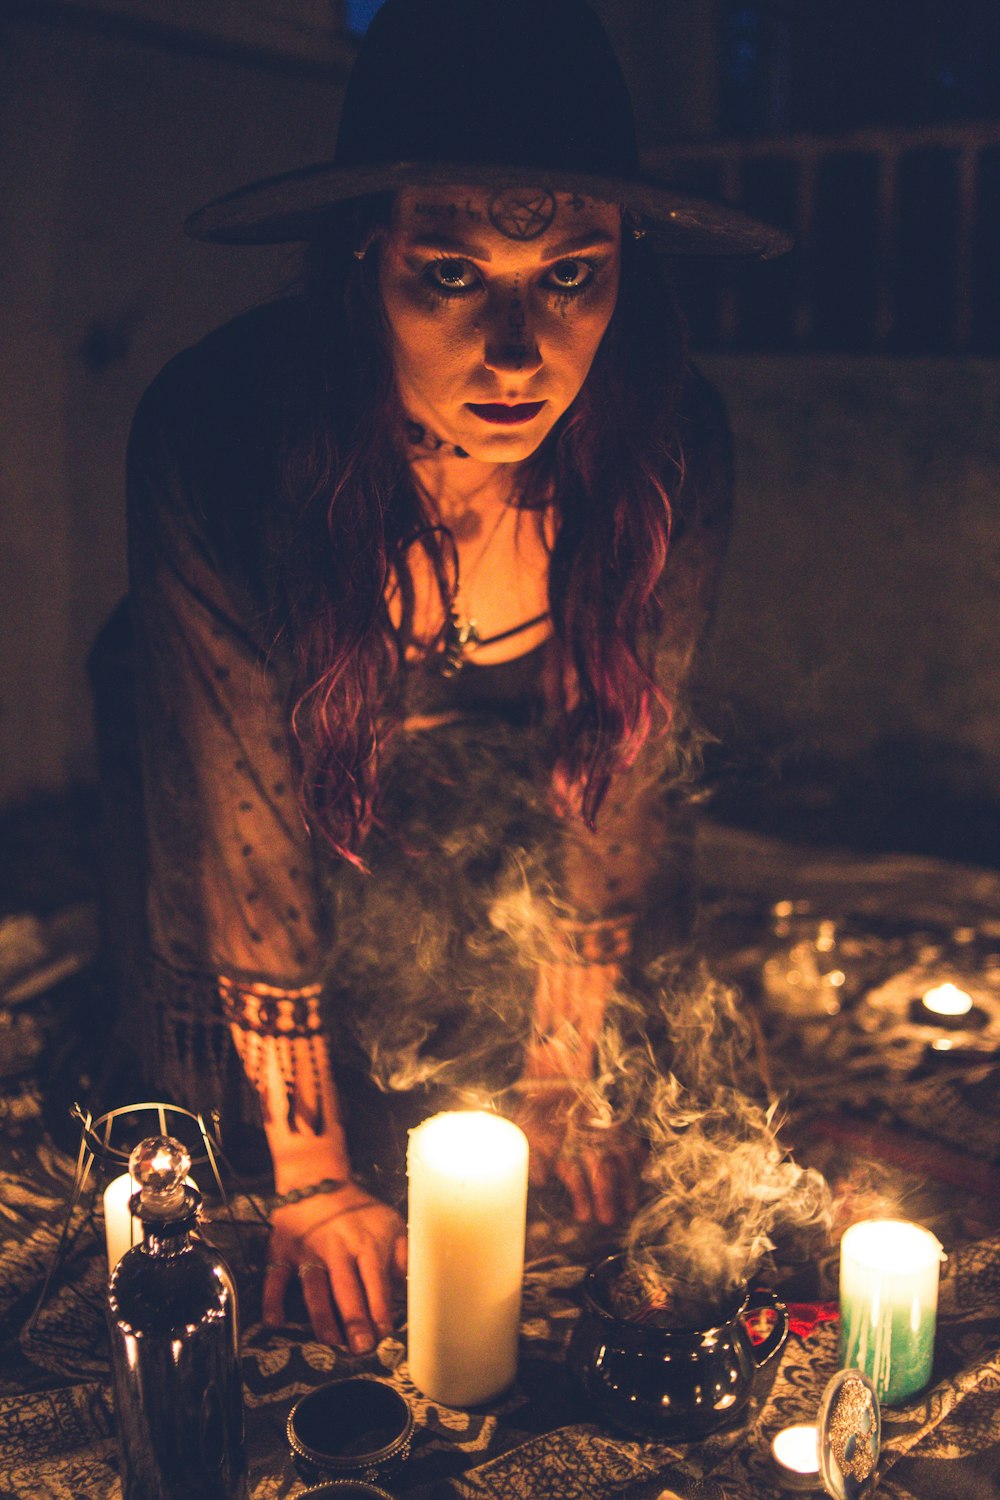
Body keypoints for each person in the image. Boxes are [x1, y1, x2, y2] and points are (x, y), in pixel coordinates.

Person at [119, 0, 787, 1356]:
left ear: (626, 270)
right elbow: (230, 810)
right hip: (263, 823)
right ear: (366, 260)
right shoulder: (218, 439)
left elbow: (629, 769)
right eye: (453, 272)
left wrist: (558, 1074)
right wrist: (312, 1178)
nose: (518, 351)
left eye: (569, 275)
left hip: (521, 853)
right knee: (224, 1142)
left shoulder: (666, 449)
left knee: (623, 1089)